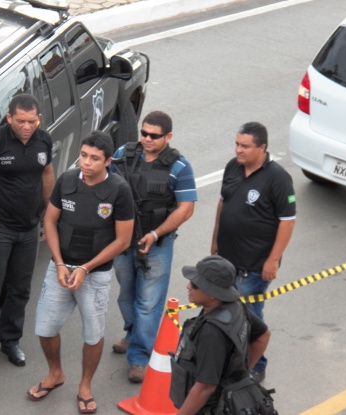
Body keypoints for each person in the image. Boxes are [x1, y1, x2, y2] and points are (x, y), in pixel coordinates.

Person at [27, 132, 134, 414]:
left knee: (93, 335)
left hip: (95, 275)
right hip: (61, 268)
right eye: (84, 155)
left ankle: (85, 386)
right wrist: (60, 264)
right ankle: (55, 374)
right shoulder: (67, 180)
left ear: (108, 161)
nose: (86, 162)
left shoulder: (120, 190)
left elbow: (123, 240)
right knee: (45, 328)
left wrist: (86, 268)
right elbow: (50, 222)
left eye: (94, 158)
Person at [0, 94, 55, 372]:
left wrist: (49, 214)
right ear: (9, 118)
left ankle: (10, 341)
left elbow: (47, 174)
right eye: (20, 121)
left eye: (32, 121)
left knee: (20, 290)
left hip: (28, 230)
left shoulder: (44, 140)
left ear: (38, 118)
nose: (27, 127)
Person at [110, 110, 197, 383]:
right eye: (144, 133)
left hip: (157, 244)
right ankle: (133, 334)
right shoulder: (124, 153)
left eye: (154, 136)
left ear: (168, 137)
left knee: (148, 302)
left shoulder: (179, 167)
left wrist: (155, 233)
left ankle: (139, 357)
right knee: (126, 295)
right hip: (123, 241)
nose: (147, 139)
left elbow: (186, 208)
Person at [211, 121, 296, 383]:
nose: (238, 150)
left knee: (249, 316)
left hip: (254, 267)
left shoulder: (278, 179)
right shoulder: (232, 167)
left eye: (245, 146)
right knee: (225, 312)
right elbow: (223, 204)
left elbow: (287, 221)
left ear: (262, 148)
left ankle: (256, 365)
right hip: (227, 260)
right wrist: (215, 242)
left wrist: (273, 260)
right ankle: (229, 358)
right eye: (237, 144)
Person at [170, 255, 271, 415]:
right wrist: (241, 376)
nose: (188, 286)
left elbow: (205, 387)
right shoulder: (235, 306)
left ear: (213, 293)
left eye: (195, 284)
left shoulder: (211, 333)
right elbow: (263, 336)